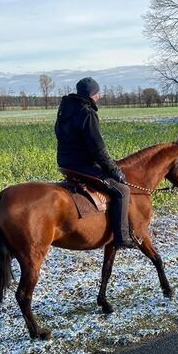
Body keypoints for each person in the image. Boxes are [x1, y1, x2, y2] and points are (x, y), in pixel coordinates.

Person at [55, 77, 136, 248]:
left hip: (65, 163)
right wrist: (115, 172)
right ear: (93, 94)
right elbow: (98, 150)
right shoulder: (87, 113)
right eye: (98, 93)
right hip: (81, 165)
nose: (99, 96)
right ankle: (121, 237)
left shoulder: (65, 109)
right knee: (122, 190)